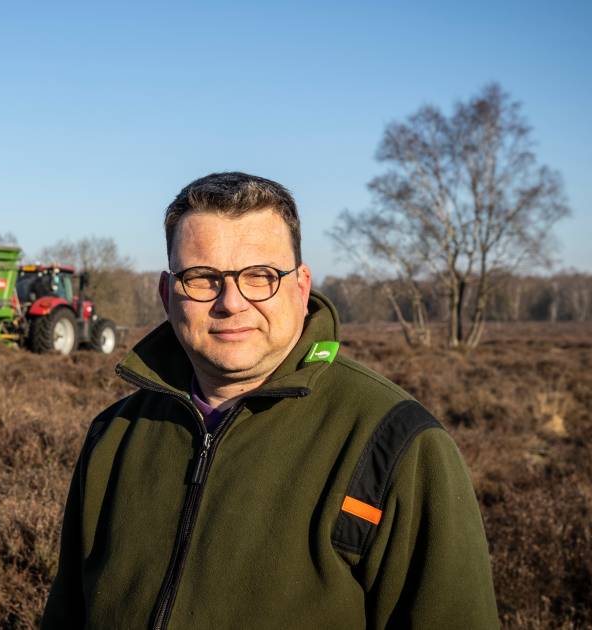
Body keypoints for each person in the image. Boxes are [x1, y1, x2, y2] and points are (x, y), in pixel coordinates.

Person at [41, 172, 498, 629]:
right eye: (202, 278)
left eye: (260, 277)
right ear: (167, 294)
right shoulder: (114, 435)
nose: (231, 302)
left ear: (301, 288)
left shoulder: (399, 446)